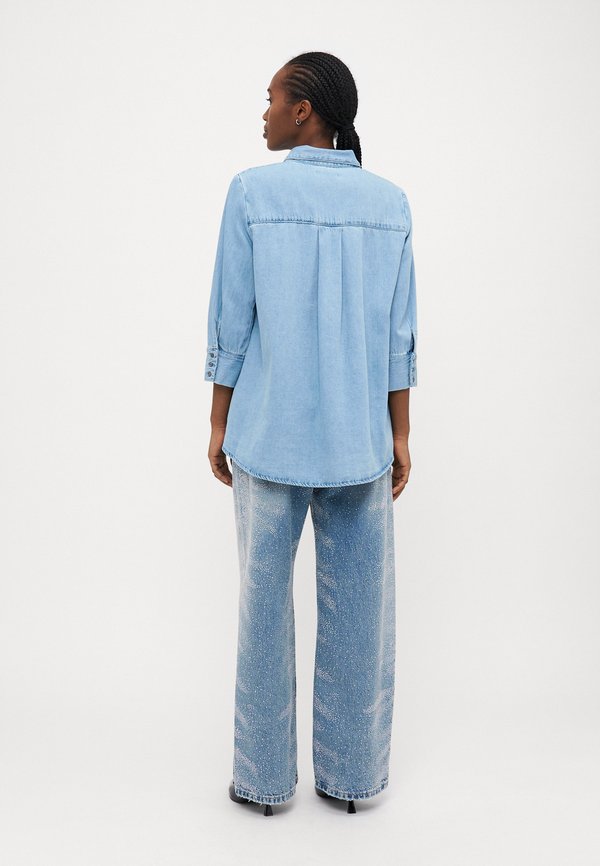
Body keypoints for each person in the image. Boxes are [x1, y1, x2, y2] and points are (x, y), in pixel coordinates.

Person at [204, 51, 418, 816]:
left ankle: (263, 783)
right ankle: (352, 779)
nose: (262, 112)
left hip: (268, 436)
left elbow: (232, 319)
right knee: (362, 617)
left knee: (262, 612)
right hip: (361, 441)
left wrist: (218, 419)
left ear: (304, 110)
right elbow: (398, 336)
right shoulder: (389, 203)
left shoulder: (252, 193)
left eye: (271, 98)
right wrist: (400, 435)